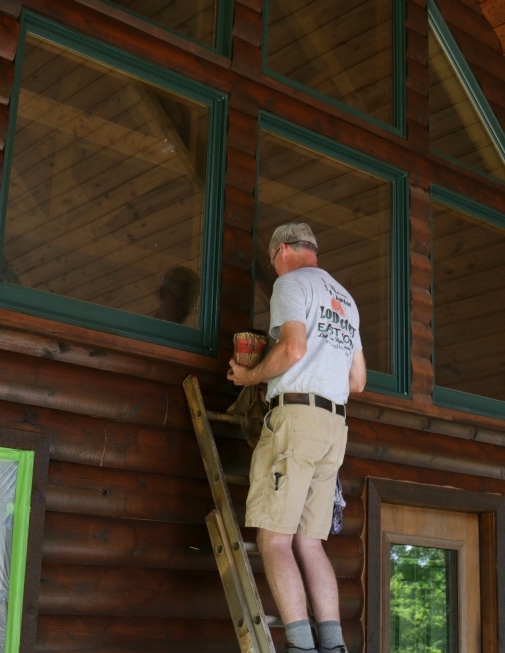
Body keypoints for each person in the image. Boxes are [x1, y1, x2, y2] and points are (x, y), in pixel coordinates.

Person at [228, 223, 366, 653]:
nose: (273, 270)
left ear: (282, 250)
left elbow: (293, 350)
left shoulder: (290, 284)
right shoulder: (345, 299)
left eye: (272, 261)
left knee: (274, 537)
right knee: (311, 542)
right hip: (334, 428)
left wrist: (249, 375)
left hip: (297, 419)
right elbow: (358, 381)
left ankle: (303, 648)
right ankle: (333, 646)